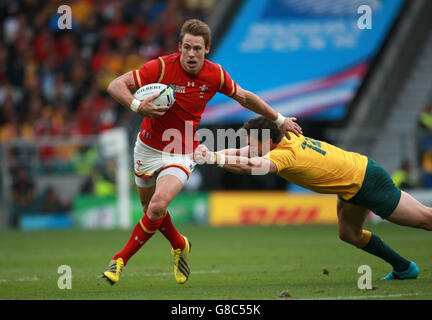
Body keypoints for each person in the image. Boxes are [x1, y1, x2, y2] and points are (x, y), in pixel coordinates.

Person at [102, 19, 303, 285]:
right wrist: (138, 106)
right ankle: (179, 244)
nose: (192, 54)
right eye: (187, 47)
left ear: (206, 49)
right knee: (149, 209)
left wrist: (279, 120)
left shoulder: (215, 74)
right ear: (180, 47)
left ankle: (119, 261)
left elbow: (245, 97)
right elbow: (115, 85)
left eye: (197, 48)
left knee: (157, 206)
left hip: (182, 150)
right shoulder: (160, 67)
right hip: (147, 147)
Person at [194, 116, 432, 280]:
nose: (247, 146)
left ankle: (404, 267)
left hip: (367, 181)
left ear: (267, 141)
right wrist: (208, 154)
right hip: (355, 181)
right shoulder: (283, 139)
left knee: (424, 219)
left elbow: (251, 166)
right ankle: (404, 268)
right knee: (349, 234)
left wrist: (216, 160)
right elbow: (244, 155)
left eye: (251, 142)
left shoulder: (285, 155)